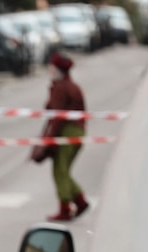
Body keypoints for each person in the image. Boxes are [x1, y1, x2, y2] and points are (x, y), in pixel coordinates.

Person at [43, 52, 89, 221]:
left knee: (60, 170)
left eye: (52, 67)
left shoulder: (61, 88)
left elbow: (56, 116)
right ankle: (79, 200)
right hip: (76, 131)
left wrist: (51, 140)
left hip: (67, 132)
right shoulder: (70, 86)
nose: (49, 70)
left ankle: (66, 206)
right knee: (64, 170)